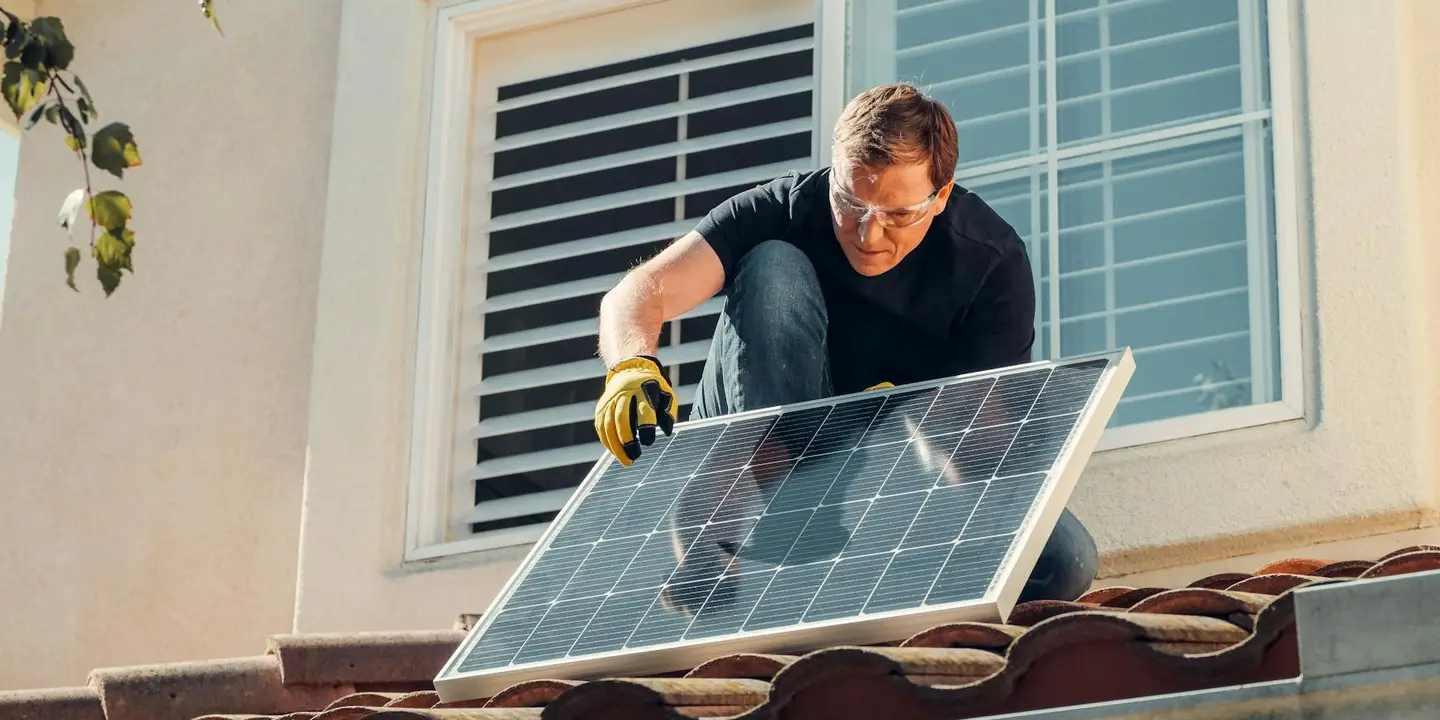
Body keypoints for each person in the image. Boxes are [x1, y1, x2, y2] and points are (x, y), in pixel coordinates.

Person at [591, 82, 1098, 603]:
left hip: (890, 471)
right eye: (850, 201)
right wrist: (630, 367)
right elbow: (637, 294)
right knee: (773, 264)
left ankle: (846, 541)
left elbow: (988, 463)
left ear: (941, 196)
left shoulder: (989, 264)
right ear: (833, 173)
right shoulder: (785, 208)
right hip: (769, 448)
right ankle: (737, 512)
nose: (867, 233)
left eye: (899, 214)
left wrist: (930, 431)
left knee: (1061, 562)